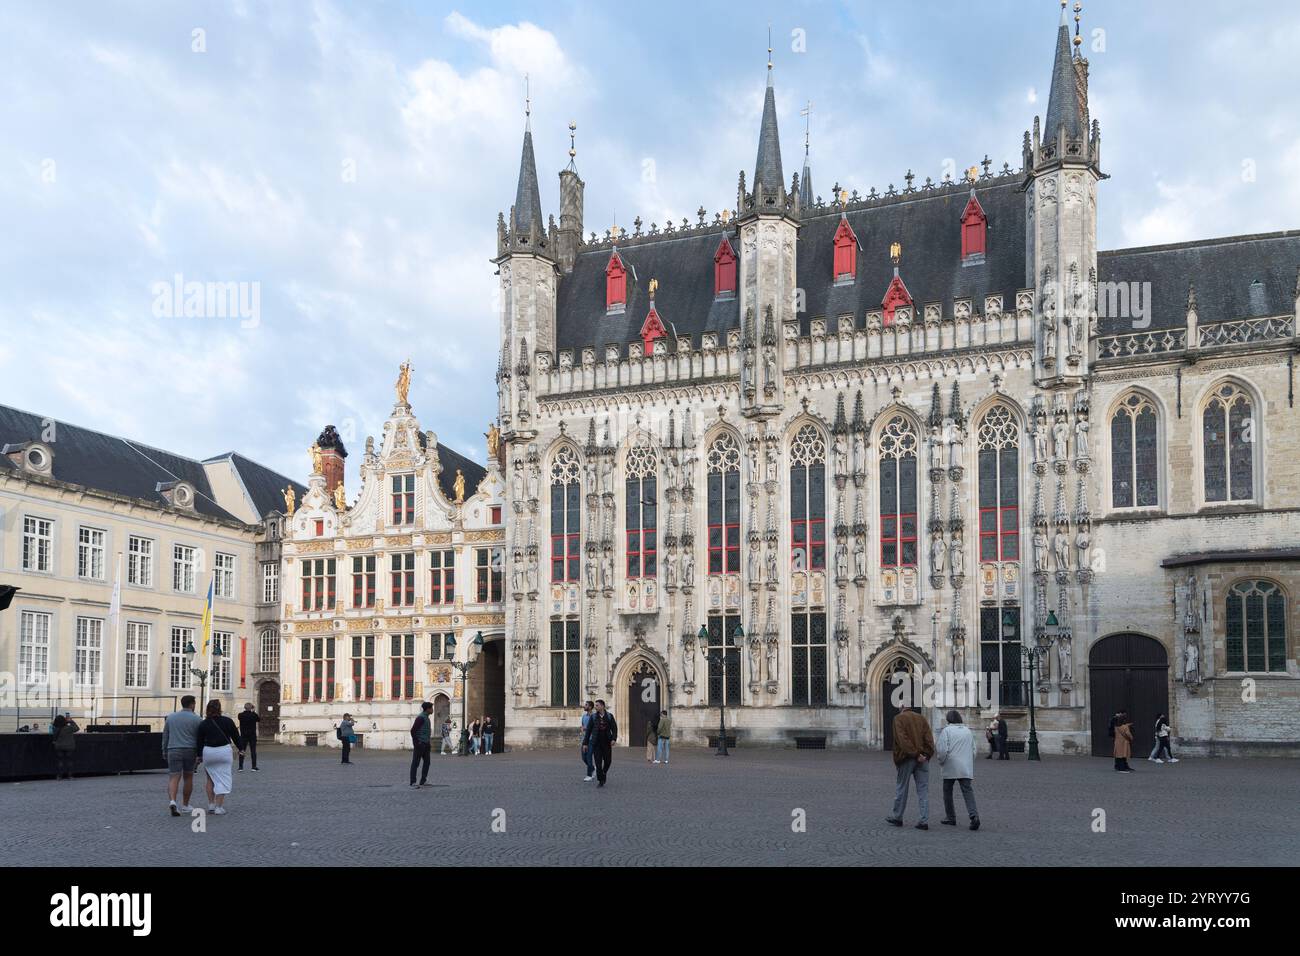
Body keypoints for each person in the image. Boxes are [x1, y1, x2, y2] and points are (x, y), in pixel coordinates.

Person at [886, 705, 935, 830]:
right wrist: (925, 755)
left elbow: (902, 740)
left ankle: (898, 817)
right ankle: (924, 820)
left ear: (902, 707)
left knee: (902, 787)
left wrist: (915, 754)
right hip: (922, 759)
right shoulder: (922, 718)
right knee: (923, 790)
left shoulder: (898, 719)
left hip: (907, 758)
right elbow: (929, 739)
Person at [935, 710, 980, 830]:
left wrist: (941, 761)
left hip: (950, 765)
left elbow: (942, 750)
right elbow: (974, 750)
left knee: (947, 792)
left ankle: (951, 817)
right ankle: (974, 816)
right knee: (967, 791)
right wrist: (968, 761)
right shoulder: (967, 731)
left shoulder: (947, 731)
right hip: (965, 766)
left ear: (949, 719)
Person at [196, 700, 242, 814]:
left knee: (210, 779)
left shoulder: (203, 723)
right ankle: (219, 807)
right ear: (220, 708)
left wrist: (199, 755)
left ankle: (211, 804)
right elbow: (236, 736)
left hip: (209, 752)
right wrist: (241, 748)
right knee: (223, 778)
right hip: (223, 751)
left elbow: (199, 741)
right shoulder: (227, 721)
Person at [162, 695, 202, 817]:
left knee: (174, 777)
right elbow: (200, 738)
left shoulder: (171, 718)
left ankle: (173, 801)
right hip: (190, 750)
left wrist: (164, 750)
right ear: (192, 704)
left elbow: (165, 736)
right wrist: (200, 754)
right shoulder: (197, 719)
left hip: (173, 749)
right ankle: (185, 805)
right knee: (188, 777)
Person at [581, 699, 618, 787]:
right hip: (596, 743)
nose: (596, 707)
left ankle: (604, 772)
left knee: (608, 761)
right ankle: (601, 780)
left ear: (602, 706)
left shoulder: (609, 716)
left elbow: (614, 728)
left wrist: (614, 739)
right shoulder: (593, 717)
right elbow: (588, 731)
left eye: (597, 705)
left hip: (606, 743)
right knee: (598, 763)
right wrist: (585, 743)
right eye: (596, 705)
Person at [410, 702, 433, 788]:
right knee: (416, 763)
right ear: (427, 709)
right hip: (420, 744)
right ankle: (413, 781)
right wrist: (416, 743)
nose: (432, 710)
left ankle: (423, 780)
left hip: (426, 743)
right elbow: (413, 731)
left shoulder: (426, 717)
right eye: (431, 708)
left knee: (427, 762)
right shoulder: (421, 718)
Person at [51, 714, 76, 780]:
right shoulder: (69, 728)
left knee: (60, 761)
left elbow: (54, 735)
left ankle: (59, 776)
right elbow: (77, 728)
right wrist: (71, 721)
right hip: (69, 746)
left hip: (59, 746)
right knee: (69, 761)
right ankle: (70, 776)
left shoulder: (55, 728)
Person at [237, 703, 259, 772]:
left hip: (243, 735)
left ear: (244, 707)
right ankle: (254, 766)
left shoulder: (240, 715)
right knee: (253, 751)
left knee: (242, 751)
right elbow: (258, 719)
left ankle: (240, 767)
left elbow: (239, 718)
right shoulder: (253, 715)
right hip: (252, 735)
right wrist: (254, 711)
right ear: (251, 708)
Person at [580, 701, 596, 781]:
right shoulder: (584, 716)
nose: (584, 706)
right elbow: (583, 726)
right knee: (584, 757)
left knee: (589, 757)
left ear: (590, 707)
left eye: (586, 705)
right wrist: (582, 728)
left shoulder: (594, 717)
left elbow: (596, 728)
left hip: (591, 740)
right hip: (584, 739)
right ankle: (593, 768)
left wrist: (586, 728)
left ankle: (589, 775)